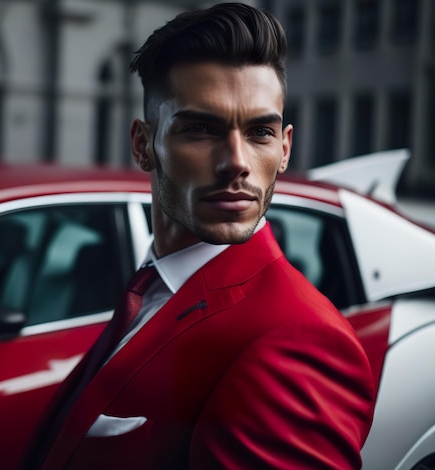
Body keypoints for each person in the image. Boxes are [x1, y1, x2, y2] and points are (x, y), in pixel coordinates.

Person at [22, 3, 375, 469]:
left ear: (285, 148)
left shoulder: (298, 339)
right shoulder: (153, 284)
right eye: (201, 129)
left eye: (260, 132)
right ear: (144, 145)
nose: (237, 162)